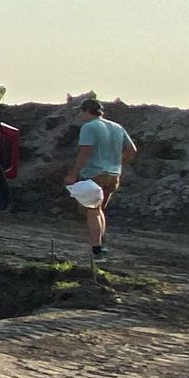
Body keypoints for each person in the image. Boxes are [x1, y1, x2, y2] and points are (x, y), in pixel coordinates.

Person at [64, 97, 137, 259]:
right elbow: (132, 150)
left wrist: (73, 174)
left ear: (86, 111)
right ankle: (101, 243)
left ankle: (97, 249)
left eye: (80, 112)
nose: (80, 116)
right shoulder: (117, 127)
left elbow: (85, 151)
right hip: (113, 175)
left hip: (94, 174)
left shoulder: (89, 127)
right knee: (99, 210)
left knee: (92, 210)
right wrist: (118, 165)